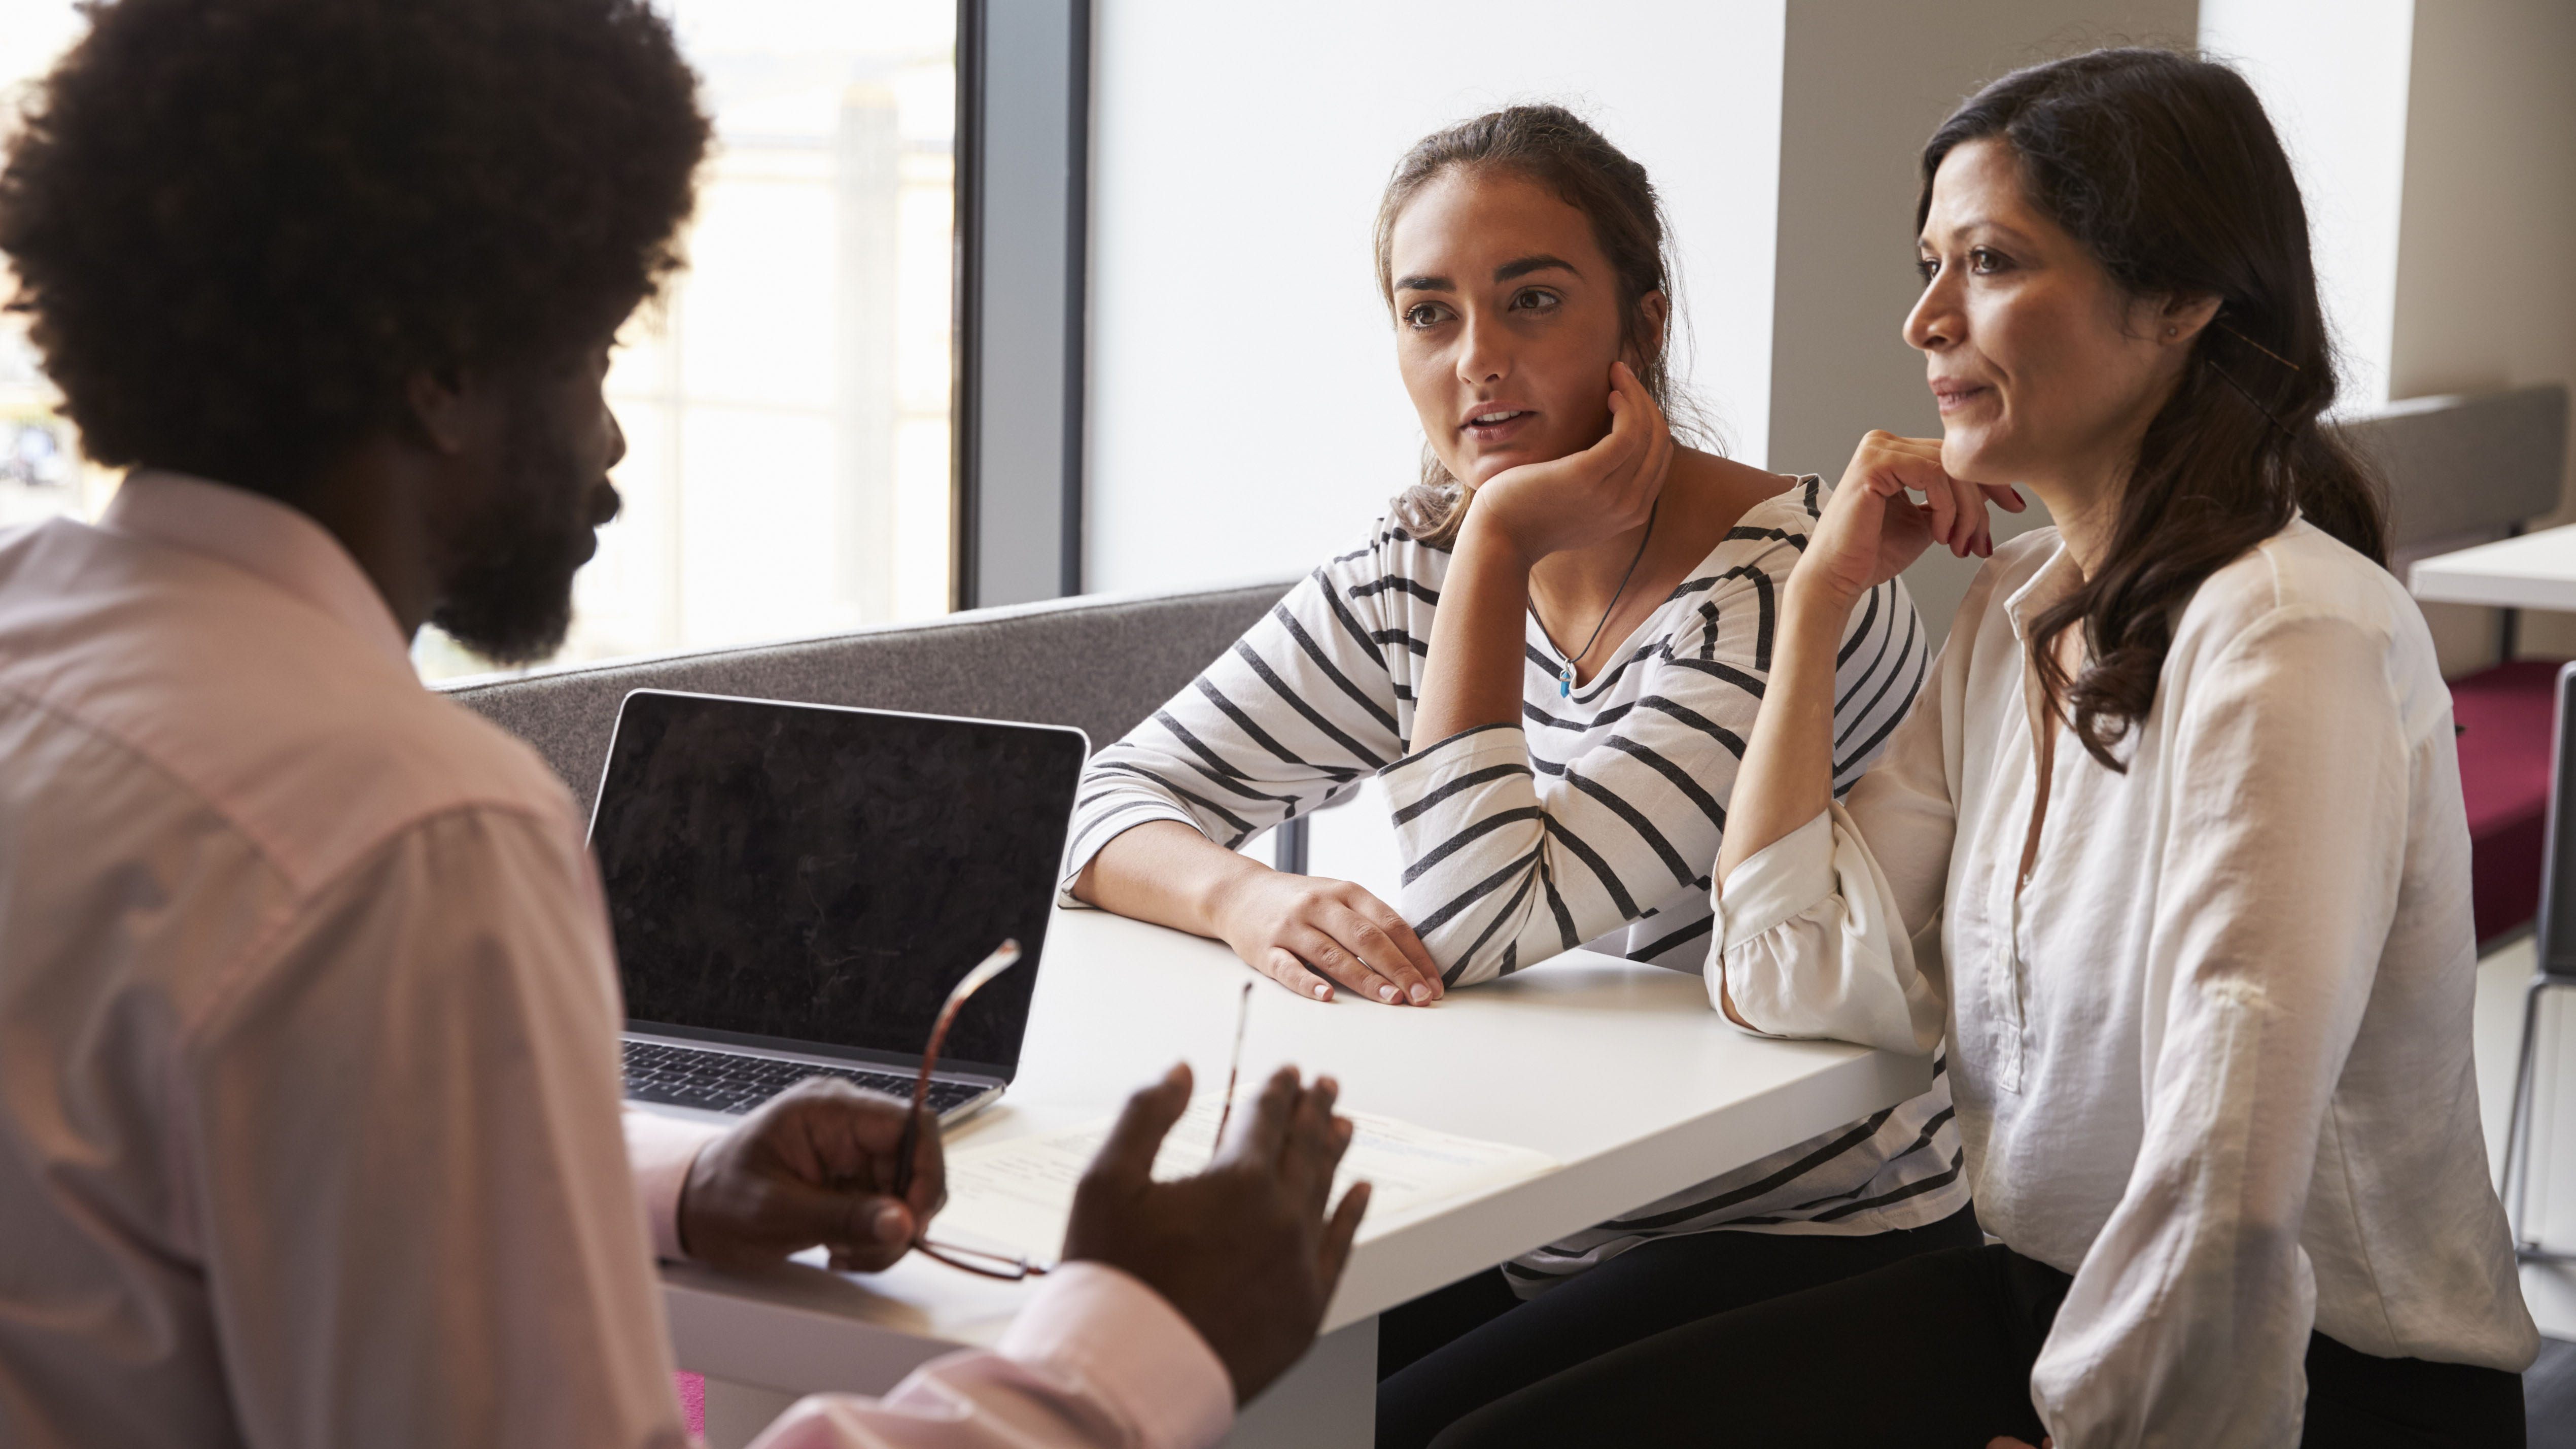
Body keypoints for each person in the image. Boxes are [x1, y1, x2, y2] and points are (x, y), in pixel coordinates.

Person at [0, 2, 1365, 1447]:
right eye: (588, 356)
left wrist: (670, 1186)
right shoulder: (404, 833)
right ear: (443, 371)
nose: (609, 443)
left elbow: (200, 1203)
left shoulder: (37, 651)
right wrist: (1125, 1348)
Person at [1430, 49, 2539, 1449]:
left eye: (1992, 264)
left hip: (2308, 1378)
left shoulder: (2289, 637)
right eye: (1928, 263)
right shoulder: (2019, 607)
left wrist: (2097, 1437)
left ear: (2184, 300)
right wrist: (1820, 597)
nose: (1924, 320)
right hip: (2043, 1302)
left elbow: (2226, 1177)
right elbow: (1790, 975)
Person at [1063, 106, 1984, 1448]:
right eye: (1429, 316)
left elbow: (1483, 922)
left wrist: (1495, 548)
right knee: (1201, 1402)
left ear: (1642, 325)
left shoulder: (1789, 583)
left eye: (1531, 302)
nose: (1476, 363)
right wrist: (1245, 901)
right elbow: (1096, 806)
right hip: (1546, 1217)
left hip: (1811, 1231)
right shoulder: (1405, 577)